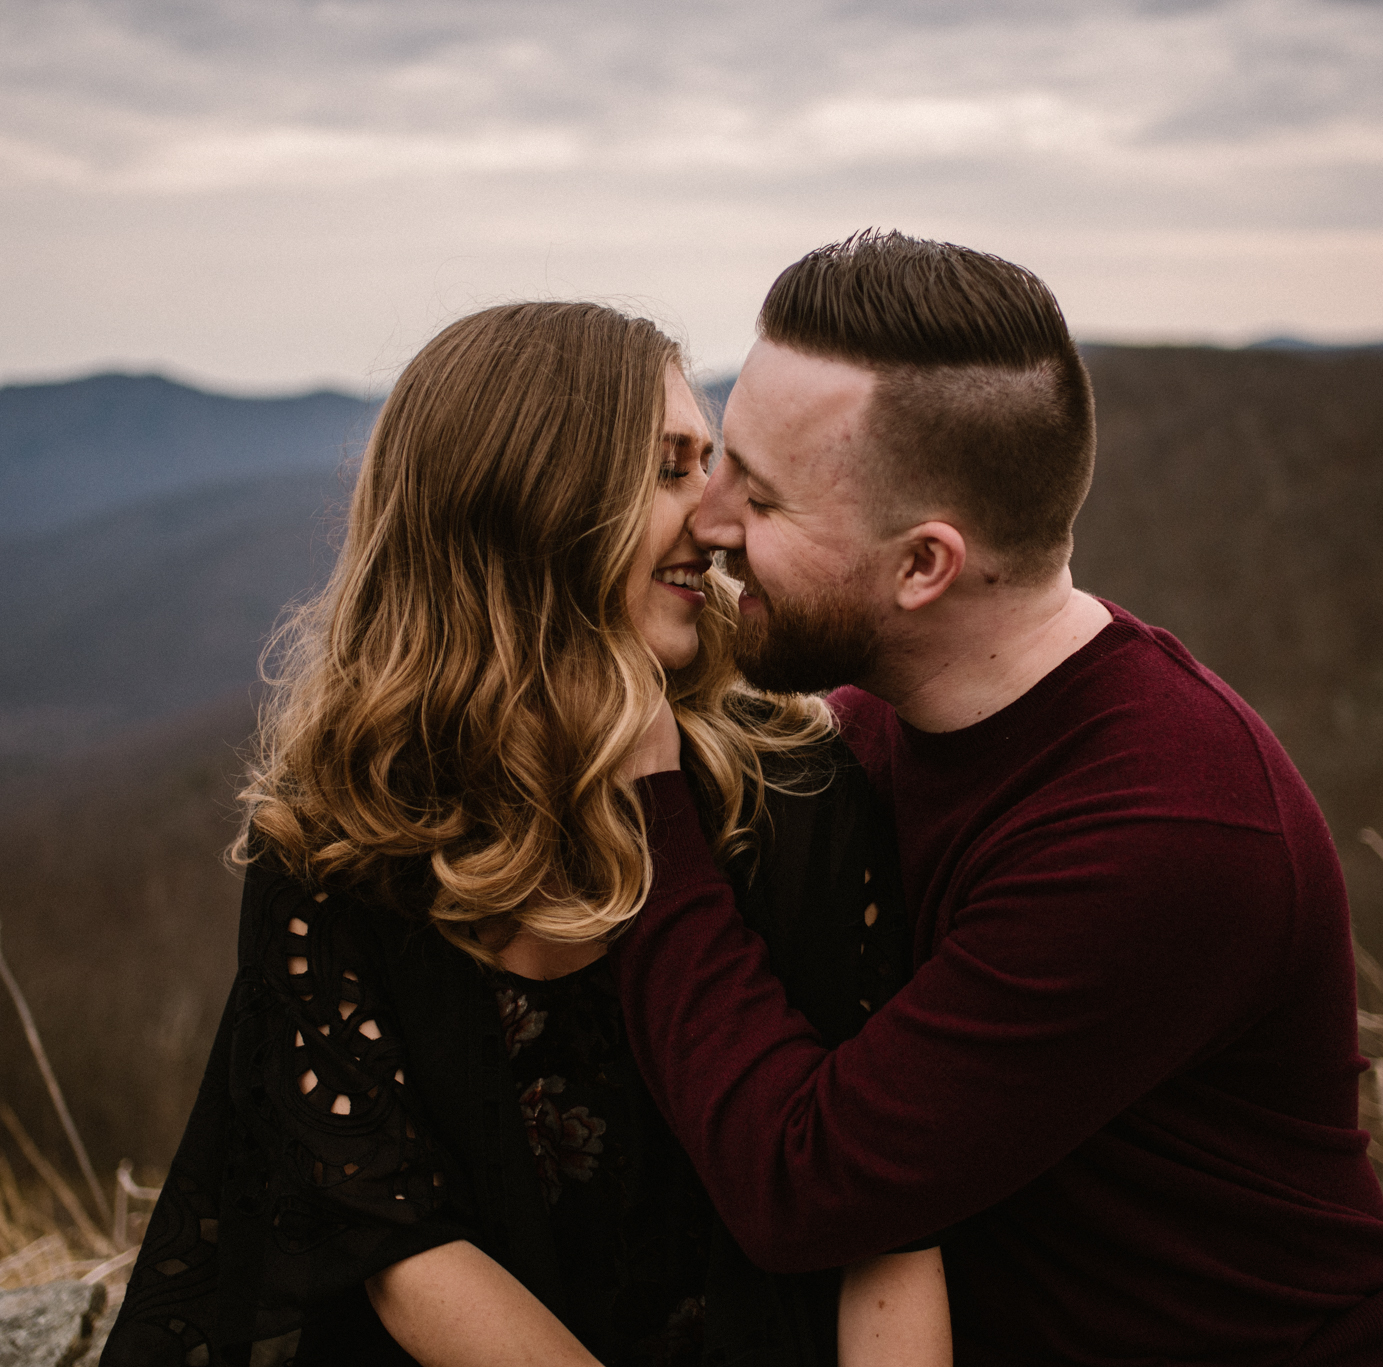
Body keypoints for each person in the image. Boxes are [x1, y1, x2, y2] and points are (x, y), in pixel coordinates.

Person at [612, 232, 1383, 1363]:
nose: (707, 520)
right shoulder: (877, 729)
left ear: (925, 565)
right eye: (719, 461)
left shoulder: (1163, 829)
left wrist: (648, 809)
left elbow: (804, 1183)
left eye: (757, 496)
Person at [102, 301, 951, 1367]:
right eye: (671, 468)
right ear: (531, 503)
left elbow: (885, 1211)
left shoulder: (793, 787)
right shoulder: (339, 840)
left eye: (712, 465)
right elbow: (405, 1249)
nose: (720, 519)